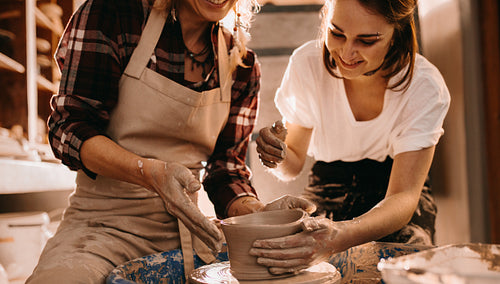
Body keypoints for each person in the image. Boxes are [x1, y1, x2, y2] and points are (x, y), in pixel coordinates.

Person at [27, 0, 314, 282]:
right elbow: (69, 129)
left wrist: (260, 214)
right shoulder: (113, 15)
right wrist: (150, 173)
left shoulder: (243, 66)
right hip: (99, 230)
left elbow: (226, 171)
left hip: (189, 236)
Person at [251, 0, 450, 276]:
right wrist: (278, 156)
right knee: (288, 262)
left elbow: (404, 195)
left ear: (397, 34)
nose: (346, 52)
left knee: (401, 266)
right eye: (336, 33)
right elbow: (293, 164)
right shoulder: (307, 64)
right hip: (327, 185)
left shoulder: (424, 85)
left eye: (366, 41)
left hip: (394, 191)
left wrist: (341, 235)